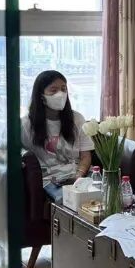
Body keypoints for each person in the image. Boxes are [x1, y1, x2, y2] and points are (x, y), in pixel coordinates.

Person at [21, 70, 94, 201]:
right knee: (71, 201)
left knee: (105, 194)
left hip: (79, 175)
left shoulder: (77, 119)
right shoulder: (26, 124)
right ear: (41, 95)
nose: (60, 94)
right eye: (53, 90)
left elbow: (85, 156)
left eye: (63, 89)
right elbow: (5, 149)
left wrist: (79, 175)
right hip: (51, 180)